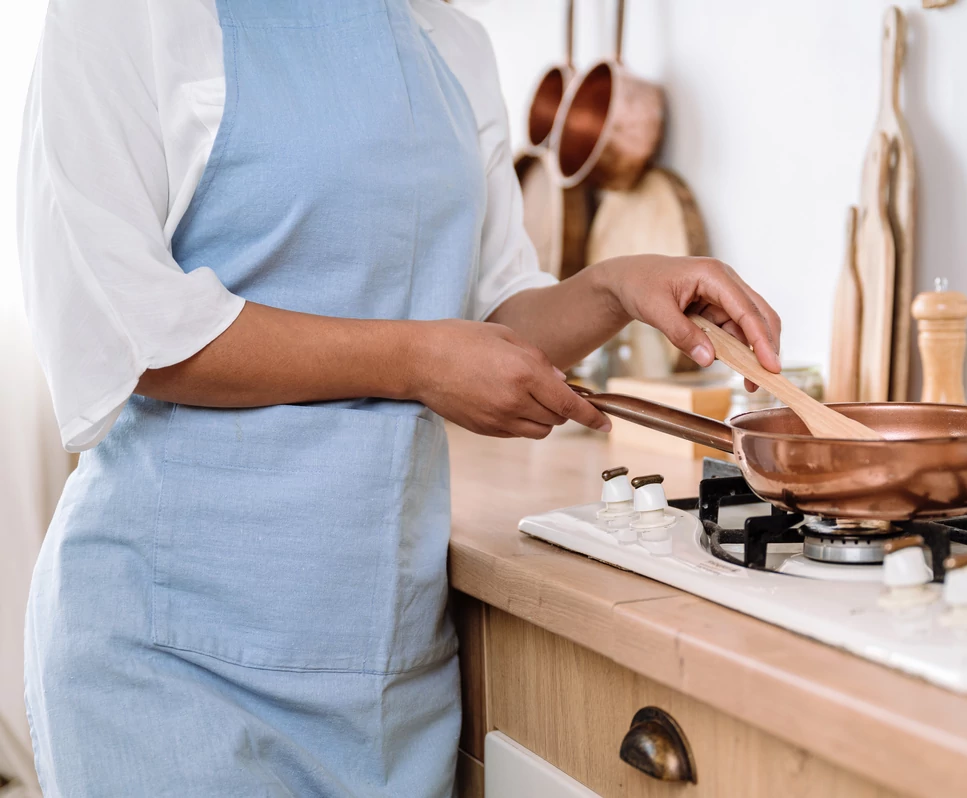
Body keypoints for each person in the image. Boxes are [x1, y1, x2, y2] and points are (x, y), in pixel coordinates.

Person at [17, 0, 782, 795]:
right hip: (172, 659)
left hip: (387, 680)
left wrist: (617, 287)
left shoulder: (449, 41)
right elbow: (129, 329)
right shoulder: (122, 13)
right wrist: (415, 361)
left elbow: (492, 314)